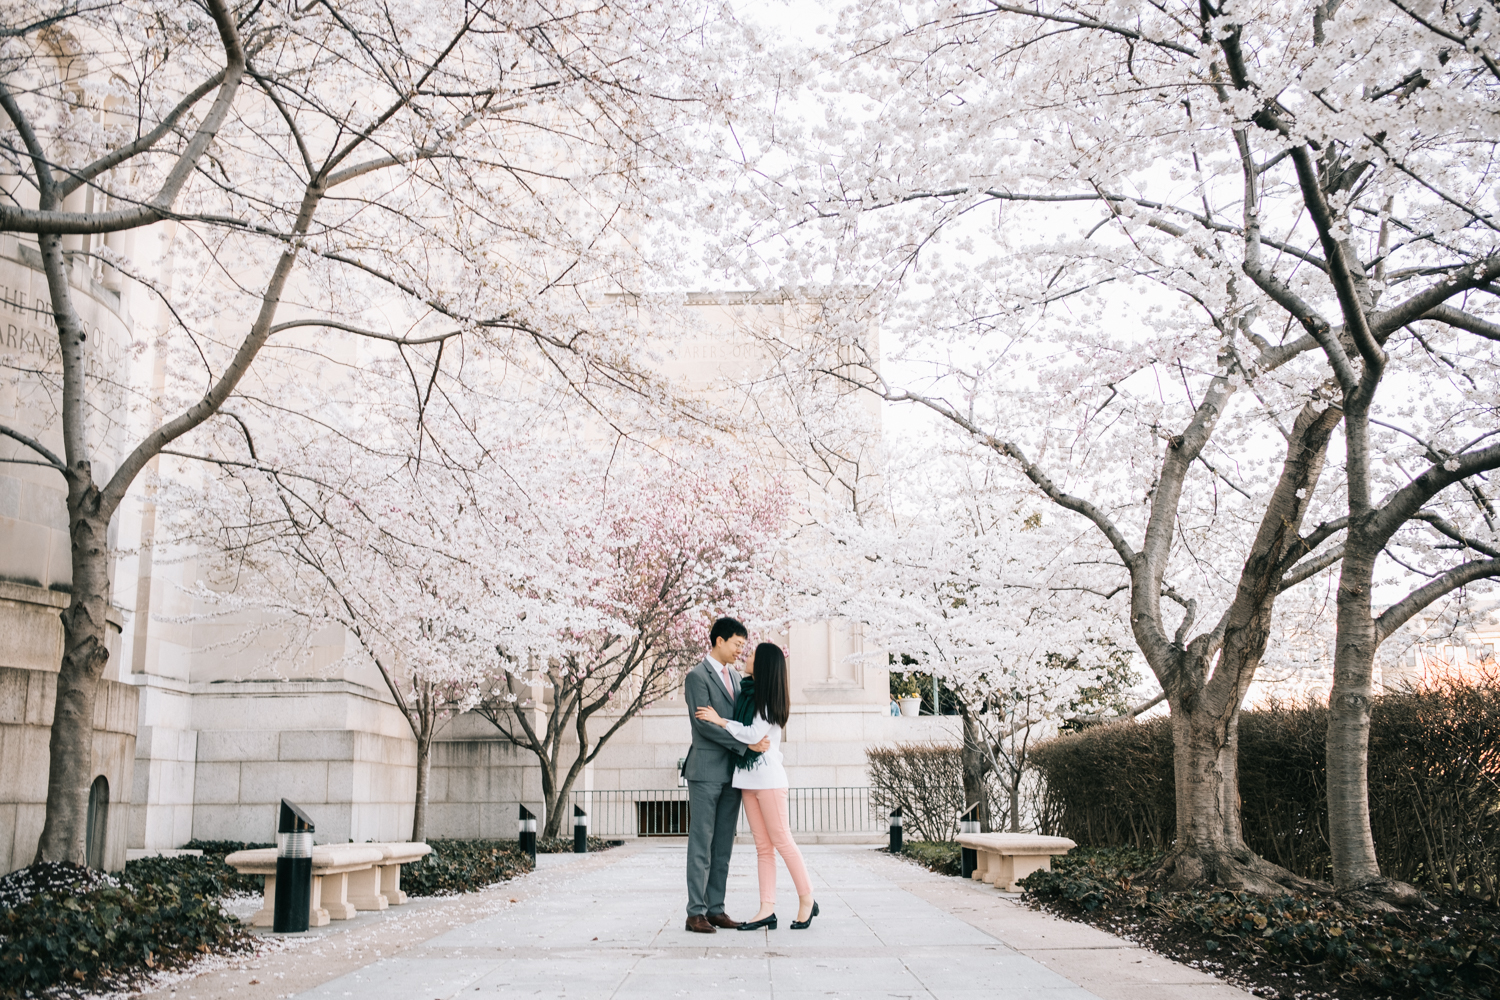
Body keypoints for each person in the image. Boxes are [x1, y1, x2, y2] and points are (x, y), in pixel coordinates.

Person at [695, 641, 818, 929]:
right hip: (747, 779)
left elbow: (752, 735)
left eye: (752, 655)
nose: (746, 657)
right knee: (763, 847)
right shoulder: (748, 693)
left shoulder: (767, 700)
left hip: (769, 780)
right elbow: (750, 738)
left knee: (782, 841)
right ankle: (766, 909)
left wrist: (721, 721)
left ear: (762, 664)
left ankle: (807, 899)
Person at [682, 617, 770, 933]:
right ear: (719, 641)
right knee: (701, 842)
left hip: (732, 774)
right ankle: (695, 912)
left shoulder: (735, 677)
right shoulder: (696, 677)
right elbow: (704, 725)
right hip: (705, 772)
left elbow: (739, 720)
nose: (739, 652)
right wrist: (747, 748)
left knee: (723, 844)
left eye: (743, 647)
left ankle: (715, 908)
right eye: (736, 645)